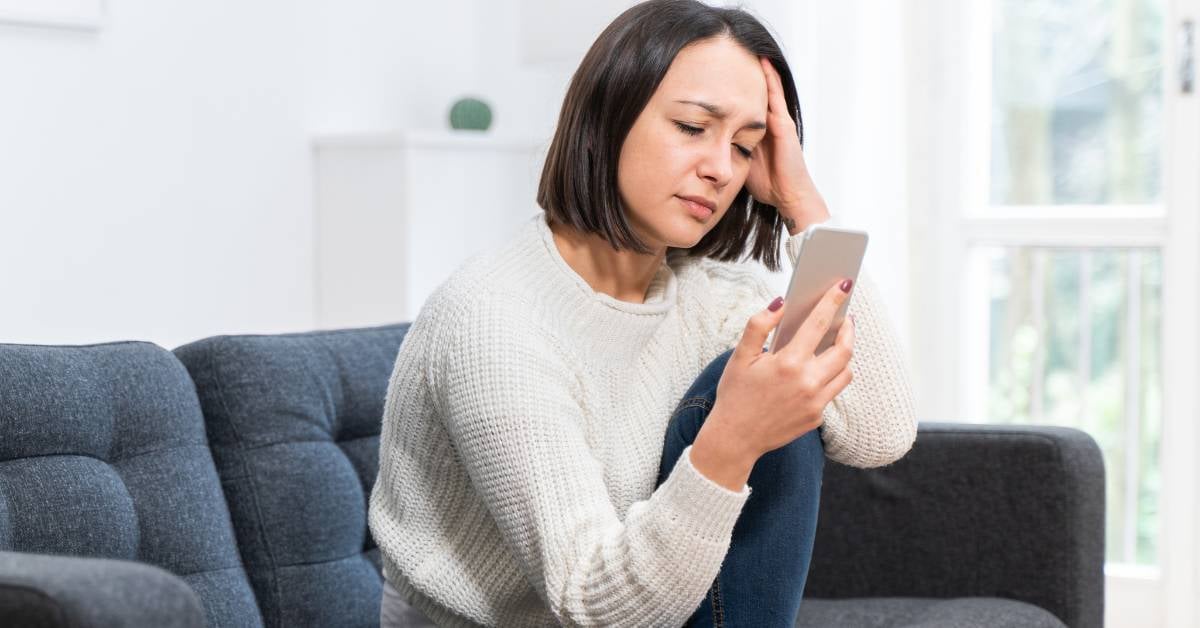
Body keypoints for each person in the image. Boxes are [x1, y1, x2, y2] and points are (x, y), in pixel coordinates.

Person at [369, 1, 918, 626]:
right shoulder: (492, 321)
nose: (719, 169)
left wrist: (804, 205)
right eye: (691, 127)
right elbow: (592, 603)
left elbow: (880, 432)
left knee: (770, 372)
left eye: (744, 146)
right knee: (746, 390)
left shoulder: (710, 297)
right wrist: (733, 437)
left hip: (659, 611)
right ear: (609, 115)